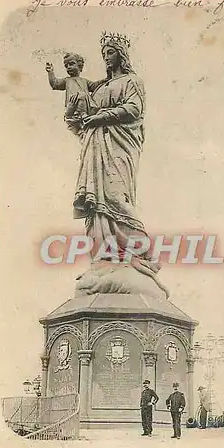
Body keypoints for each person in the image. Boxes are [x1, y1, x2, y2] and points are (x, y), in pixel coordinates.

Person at [69, 31, 166, 292]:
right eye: (103, 54)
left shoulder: (132, 81)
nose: (106, 58)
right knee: (97, 204)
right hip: (95, 148)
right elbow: (83, 116)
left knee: (115, 196)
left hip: (119, 146)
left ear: (121, 55)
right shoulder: (99, 87)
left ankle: (141, 252)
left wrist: (100, 118)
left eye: (110, 52)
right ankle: (105, 258)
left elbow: (134, 110)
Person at [45, 52, 106, 135]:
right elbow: (55, 83)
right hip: (73, 106)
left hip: (84, 105)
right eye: (66, 66)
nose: (68, 67)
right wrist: (50, 72)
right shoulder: (67, 80)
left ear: (79, 66)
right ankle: (79, 116)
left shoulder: (84, 81)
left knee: (83, 96)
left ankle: (83, 115)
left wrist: (105, 80)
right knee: (81, 96)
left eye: (71, 64)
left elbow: (94, 86)